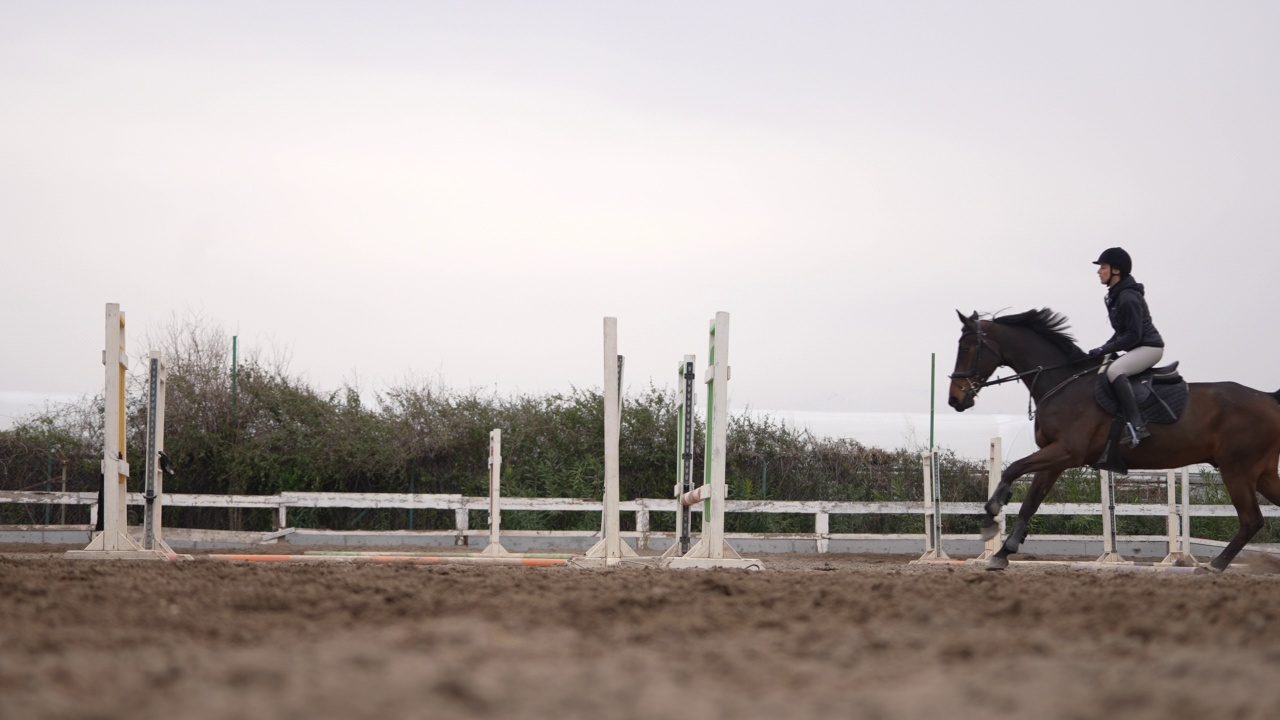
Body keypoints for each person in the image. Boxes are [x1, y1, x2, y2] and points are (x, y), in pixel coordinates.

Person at [1088, 247, 1165, 446]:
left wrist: (1105, 349)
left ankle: (1138, 426)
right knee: (1103, 367)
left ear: (1116, 270)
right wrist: (1102, 348)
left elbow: (1133, 335)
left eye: (1103, 267)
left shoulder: (1127, 297)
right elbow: (1121, 331)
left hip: (1150, 348)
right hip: (1138, 346)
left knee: (1114, 371)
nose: (1099, 271)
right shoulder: (1117, 295)